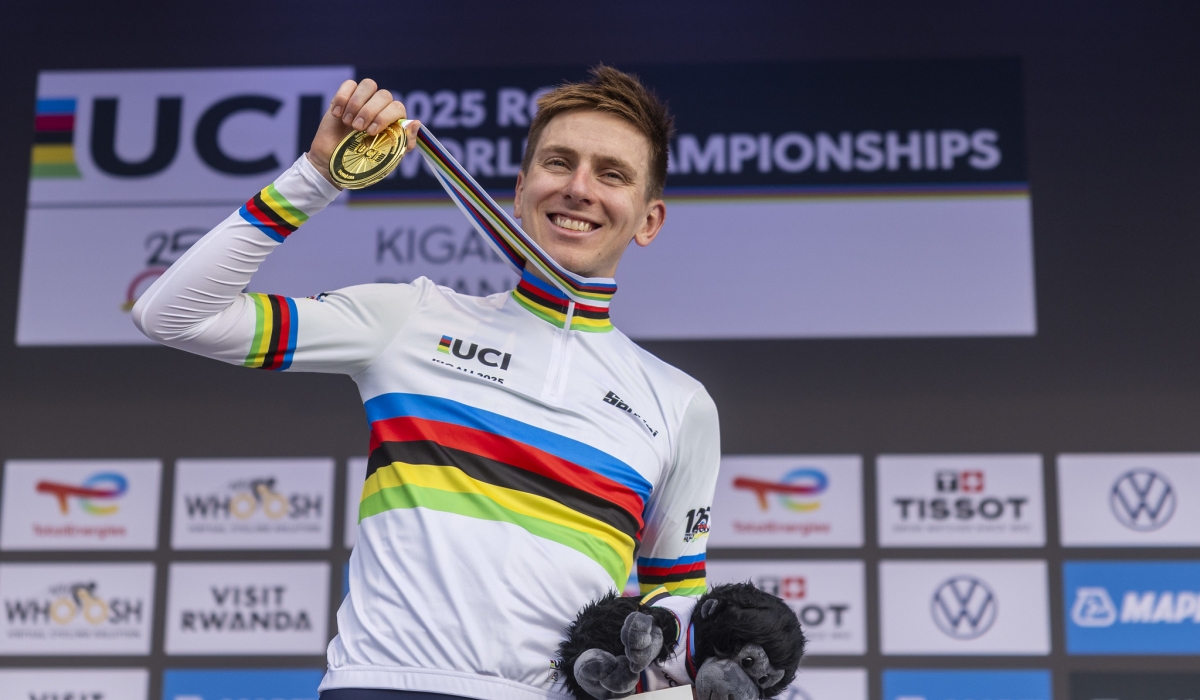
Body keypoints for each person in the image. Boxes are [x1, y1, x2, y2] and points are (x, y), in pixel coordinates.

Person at [133, 65, 720, 700]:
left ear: (649, 219)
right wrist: (315, 178)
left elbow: (675, 610)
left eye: (611, 174)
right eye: (559, 163)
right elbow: (175, 314)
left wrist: (714, 645)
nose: (579, 188)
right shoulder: (412, 318)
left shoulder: (679, 403)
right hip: (381, 687)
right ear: (521, 190)